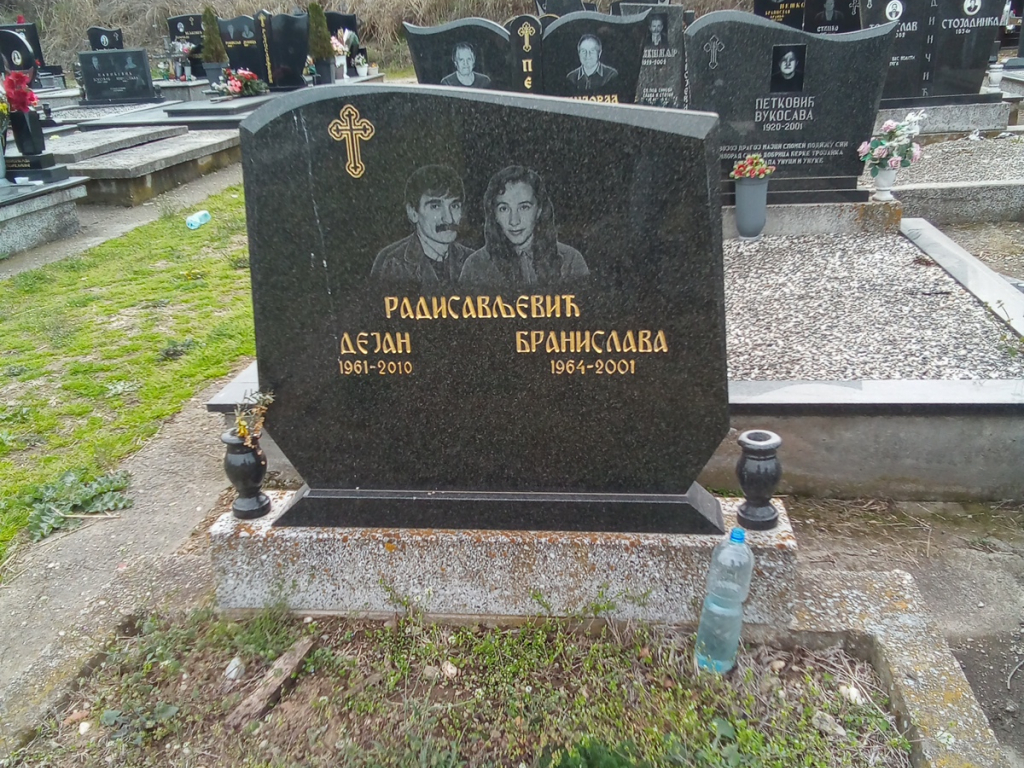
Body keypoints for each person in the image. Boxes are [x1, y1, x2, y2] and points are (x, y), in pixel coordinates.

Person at [460, 166, 588, 288]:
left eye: (524, 207)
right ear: (494, 214)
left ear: (539, 210)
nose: (514, 221)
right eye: (504, 208)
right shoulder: (475, 266)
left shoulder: (570, 260)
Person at [371, 165, 473, 288]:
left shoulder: (472, 260)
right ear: (413, 213)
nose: (449, 219)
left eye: (454, 206)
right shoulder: (392, 262)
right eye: (435, 206)